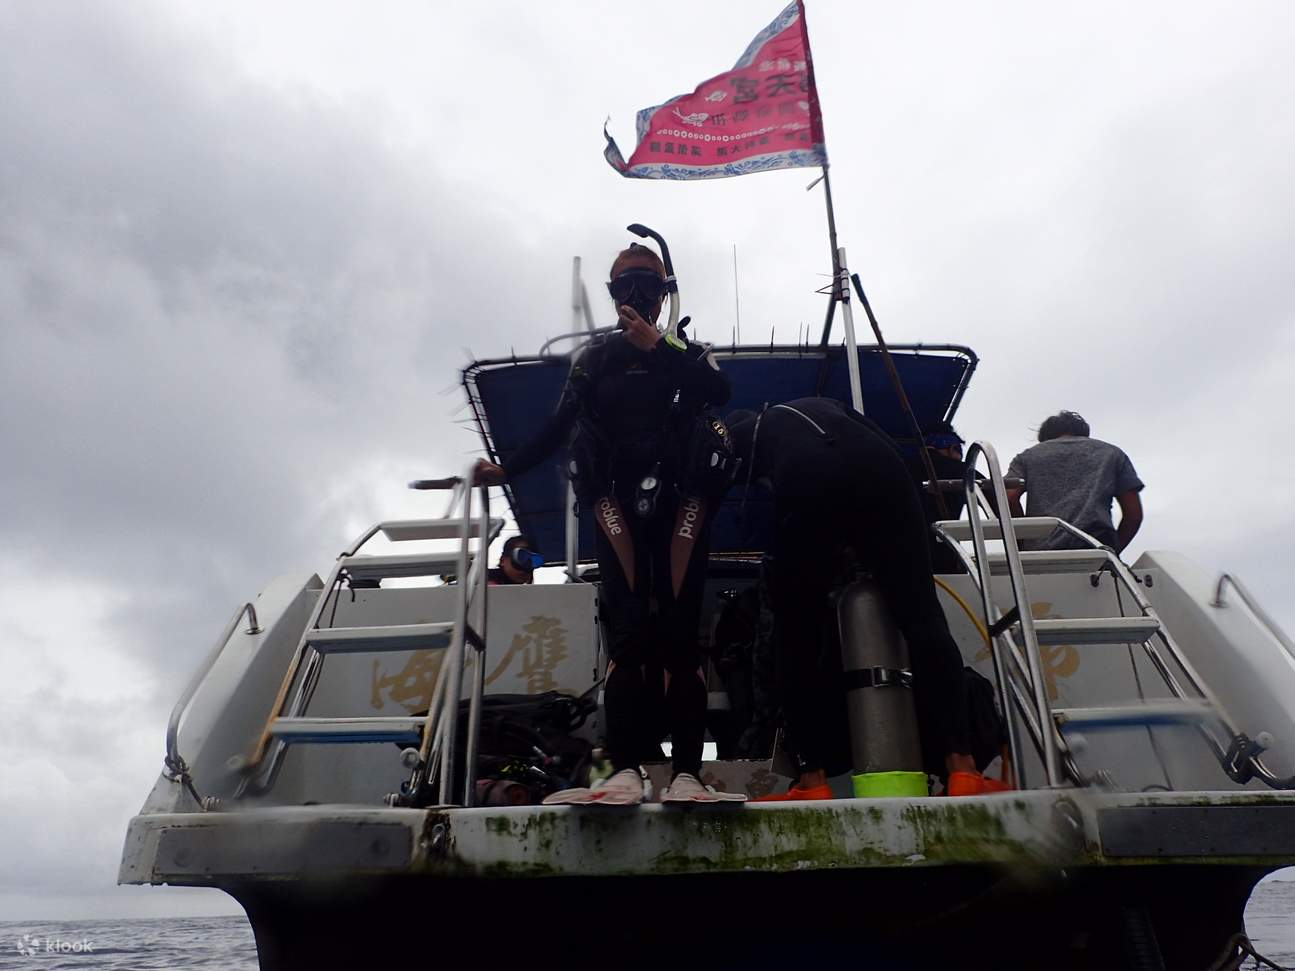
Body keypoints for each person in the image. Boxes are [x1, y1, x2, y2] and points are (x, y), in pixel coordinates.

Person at [473, 240, 743, 805]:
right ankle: (626, 770)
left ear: (665, 294)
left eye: (647, 286)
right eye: (625, 289)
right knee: (626, 638)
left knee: (678, 639)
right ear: (613, 296)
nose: (636, 298)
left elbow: (720, 393)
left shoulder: (689, 352)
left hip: (681, 507)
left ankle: (688, 775)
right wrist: (506, 467)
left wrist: (661, 348)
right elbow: (558, 425)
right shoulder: (595, 360)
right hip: (616, 505)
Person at [725, 398, 988, 799]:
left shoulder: (748, 439)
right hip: (883, 471)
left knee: (795, 636)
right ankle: (963, 770)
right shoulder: (821, 406)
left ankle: (812, 779)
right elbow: (879, 440)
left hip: (809, 477)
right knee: (922, 617)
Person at [1005, 411, 1144, 553]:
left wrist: (1024, 540)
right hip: (1097, 548)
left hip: (1041, 551)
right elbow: (1133, 515)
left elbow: (1009, 498)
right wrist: (1112, 551)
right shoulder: (1112, 454)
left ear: (1045, 437)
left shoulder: (1027, 457)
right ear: (1082, 432)